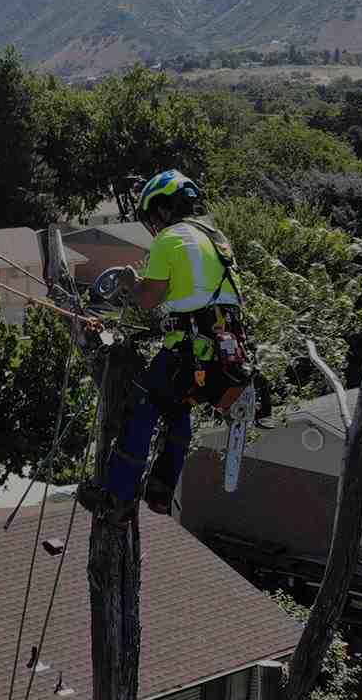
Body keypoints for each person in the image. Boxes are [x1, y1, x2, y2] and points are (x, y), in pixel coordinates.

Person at [79, 169, 250, 527]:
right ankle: (160, 489)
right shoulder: (214, 237)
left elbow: (149, 298)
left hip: (189, 348)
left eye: (150, 219)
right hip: (223, 352)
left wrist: (130, 282)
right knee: (178, 407)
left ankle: (117, 500)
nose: (152, 227)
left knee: (141, 406)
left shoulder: (169, 239)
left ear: (160, 210)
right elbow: (189, 294)